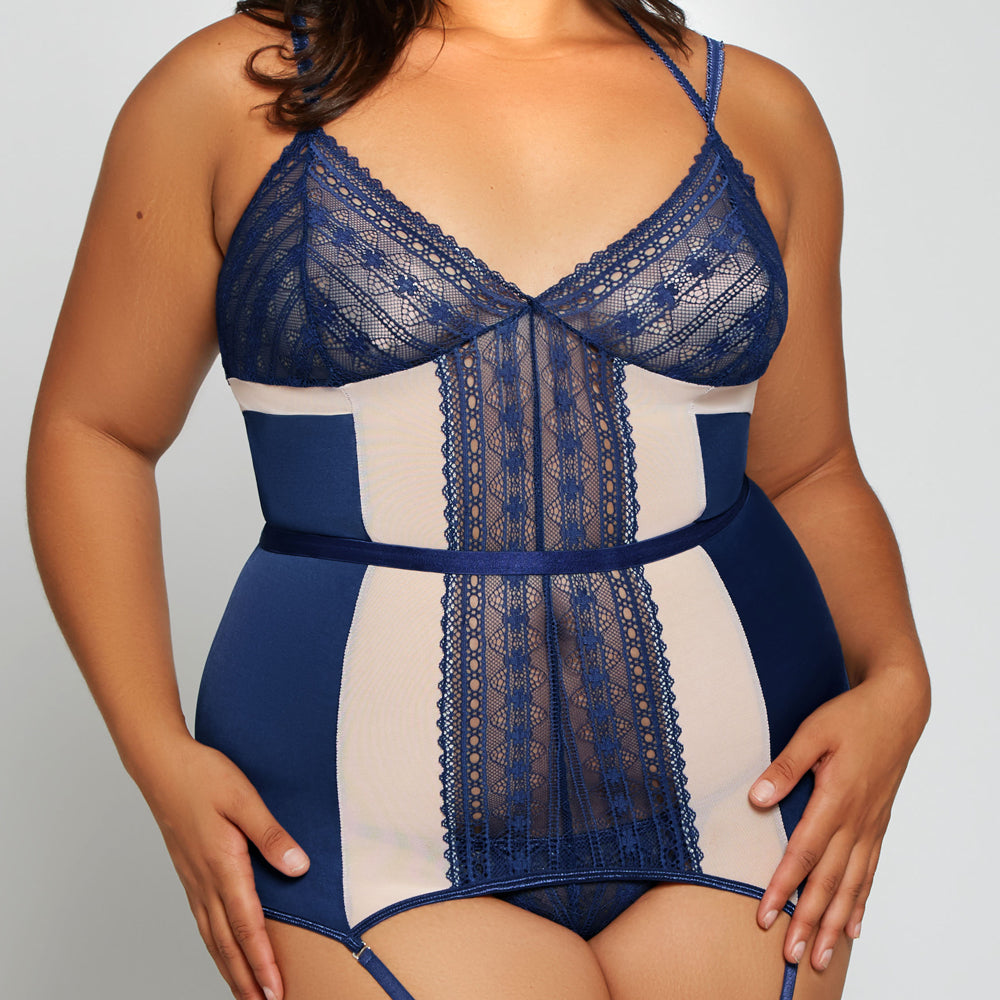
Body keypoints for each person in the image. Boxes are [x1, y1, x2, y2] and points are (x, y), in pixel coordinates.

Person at [25, 1, 931, 998]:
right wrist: (156, 753)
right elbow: (93, 433)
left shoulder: (754, 108)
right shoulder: (232, 91)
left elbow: (810, 470)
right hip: (358, 822)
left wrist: (897, 676)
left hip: (746, 798)